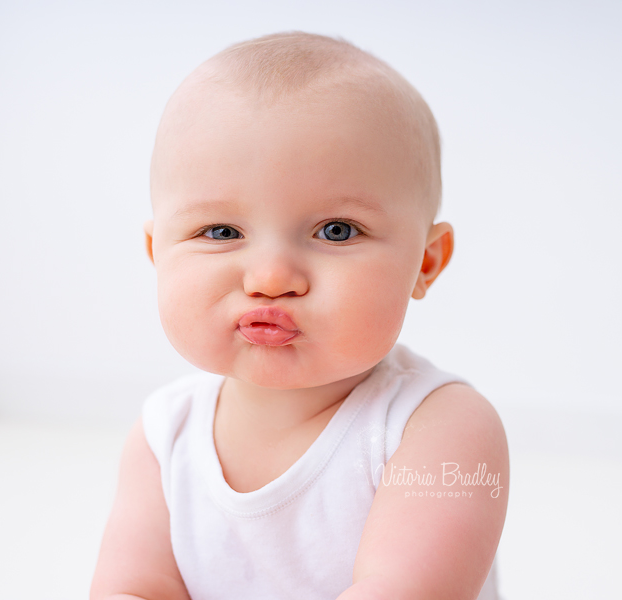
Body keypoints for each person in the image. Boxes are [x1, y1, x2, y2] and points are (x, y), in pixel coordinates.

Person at [91, 31, 509, 600]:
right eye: (221, 232)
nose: (270, 278)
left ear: (425, 263)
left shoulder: (441, 429)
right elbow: (132, 588)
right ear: (157, 252)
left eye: (335, 231)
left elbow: (405, 588)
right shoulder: (165, 435)